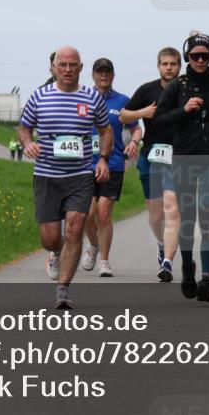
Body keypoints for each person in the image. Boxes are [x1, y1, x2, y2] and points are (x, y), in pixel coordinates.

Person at [18, 46, 112, 309]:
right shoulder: (40, 96)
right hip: (47, 175)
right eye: (63, 65)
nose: (68, 70)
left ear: (81, 68)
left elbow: (105, 131)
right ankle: (55, 253)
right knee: (49, 238)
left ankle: (63, 289)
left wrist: (102, 159)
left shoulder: (92, 97)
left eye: (73, 65)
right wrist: (27, 144)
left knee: (74, 227)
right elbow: (24, 128)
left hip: (80, 175)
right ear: (53, 67)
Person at [154, 31, 209, 302]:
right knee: (187, 219)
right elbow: (160, 120)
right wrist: (184, 109)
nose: (200, 60)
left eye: (205, 55)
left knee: (208, 218)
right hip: (184, 157)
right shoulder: (178, 86)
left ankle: (207, 279)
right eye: (194, 56)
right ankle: (188, 268)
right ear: (188, 56)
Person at [120, 47, 182, 281]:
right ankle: (160, 243)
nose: (169, 68)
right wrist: (142, 112)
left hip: (178, 158)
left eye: (173, 64)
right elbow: (123, 116)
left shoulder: (186, 89)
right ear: (158, 66)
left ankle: (167, 262)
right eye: (165, 64)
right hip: (151, 156)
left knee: (173, 210)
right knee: (156, 217)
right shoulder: (147, 90)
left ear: (179, 66)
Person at [81, 58, 141, 277]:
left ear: (113, 75)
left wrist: (134, 142)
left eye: (107, 72)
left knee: (104, 212)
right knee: (87, 214)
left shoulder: (123, 101)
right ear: (93, 75)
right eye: (99, 72)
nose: (103, 75)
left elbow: (136, 127)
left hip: (113, 163)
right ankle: (93, 245)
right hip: (85, 163)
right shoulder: (83, 98)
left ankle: (104, 261)